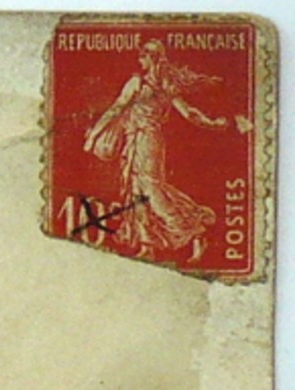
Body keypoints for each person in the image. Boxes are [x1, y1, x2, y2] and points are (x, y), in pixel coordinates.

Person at [83, 39, 235, 262]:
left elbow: (116, 108)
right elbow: (189, 113)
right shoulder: (161, 85)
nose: (139, 60)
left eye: (143, 56)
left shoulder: (146, 84)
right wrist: (212, 123)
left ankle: (192, 230)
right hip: (135, 140)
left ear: (152, 58)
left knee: (152, 190)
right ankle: (146, 245)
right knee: (135, 191)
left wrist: (94, 135)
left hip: (147, 140)